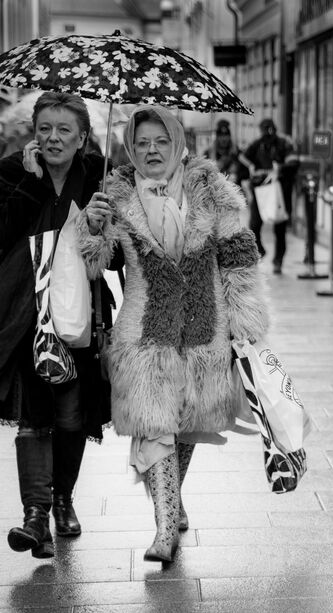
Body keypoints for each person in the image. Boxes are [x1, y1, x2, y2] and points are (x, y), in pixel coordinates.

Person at [79, 104, 269, 563]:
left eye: (160, 141)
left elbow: (239, 260)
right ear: (130, 148)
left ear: (177, 143)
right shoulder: (115, 193)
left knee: (186, 425)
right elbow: (95, 264)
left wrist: (245, 328)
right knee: (155, 427)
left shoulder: (212, 190)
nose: (151, 150)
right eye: (141, 142)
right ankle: (165, 529)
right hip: (144, 333)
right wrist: (93, 226)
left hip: (206, 329)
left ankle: (172, 499)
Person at [0, 92, 115, 559]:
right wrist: (30, 184)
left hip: (81, 311)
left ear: (82, 138)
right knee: (34, 415)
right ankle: (35, 518)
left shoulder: (99, 175)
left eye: (64, 130)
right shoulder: (13, 171)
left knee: (71, 414)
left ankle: (62, 500)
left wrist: (100, 227)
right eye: (44, 128)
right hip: (24, 311)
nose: (53, 138)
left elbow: (117, 257)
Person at [239, 118, 298, 274]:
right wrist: (251, 166)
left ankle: (278, 260)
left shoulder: (284, 143)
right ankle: (260, 250)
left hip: (280, 193)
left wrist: (280, 169)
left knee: (280, 228)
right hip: (261, 192)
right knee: (254, 224)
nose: (267, 135)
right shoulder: (257, 144)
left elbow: (293, 162)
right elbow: (243, 157)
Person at [204, 119, 243, 184]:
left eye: (226, 135)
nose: (224, 139)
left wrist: (237, 174)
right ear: (217, 137)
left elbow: (245, 171)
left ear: (229, 136)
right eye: (221, 136)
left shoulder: (236, 152)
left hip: (234, 186)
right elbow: (204, 174)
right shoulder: (208, 153)